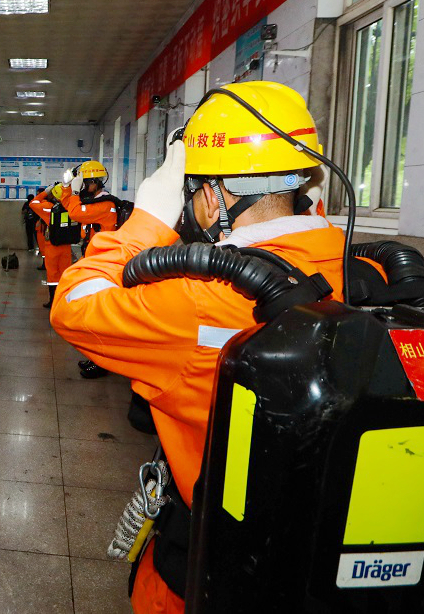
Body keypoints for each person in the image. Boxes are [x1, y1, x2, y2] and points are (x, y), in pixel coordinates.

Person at [50, 81, 340, 614]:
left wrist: (149, 219)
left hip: (209, 566)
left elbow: (73, 303)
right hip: (318, 561)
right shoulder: (364, 270)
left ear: (211, 195)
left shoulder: (199, 300)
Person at [58, 160, 120, 379]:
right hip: (96, 260)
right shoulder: (96, 201)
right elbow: (69, 205)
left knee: (100, 316)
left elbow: (75, 212)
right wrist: (67, 187)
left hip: (104, 265)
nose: (82, 187)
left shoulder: (105, 205)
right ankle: (96, 357)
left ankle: (103, 362)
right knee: (94, 313)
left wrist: (73, 191)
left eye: (84, 183)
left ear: (94, 182)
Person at [29, 184, 73, 308]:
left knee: (53, 274)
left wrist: (45, 192)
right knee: (65, 273)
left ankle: (53, 300)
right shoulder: (71, 207)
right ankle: (64, 299)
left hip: (52, 245)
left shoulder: (48, 208)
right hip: (66, 245)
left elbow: (33, 203)